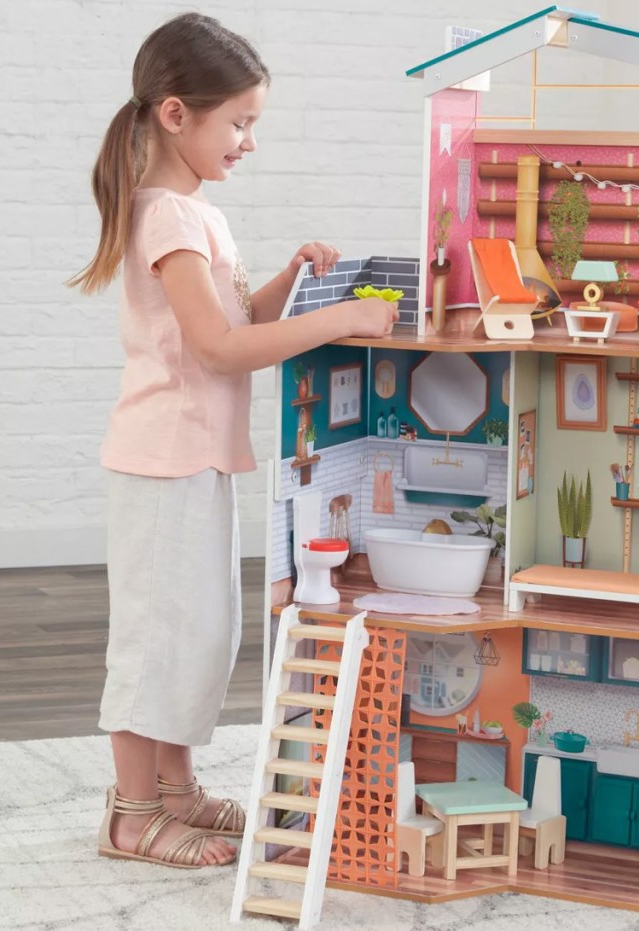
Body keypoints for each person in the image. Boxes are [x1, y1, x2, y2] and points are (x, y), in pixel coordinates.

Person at [68, 12, 397, 869]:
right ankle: (132, 812)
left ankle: (175, 790)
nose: (249, 140)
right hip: (161, 459)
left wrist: (292, 280)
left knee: (200, 631)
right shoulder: (168, 218)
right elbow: (217, 349)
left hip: (196, 457)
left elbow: (235, 323)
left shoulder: (196, 213)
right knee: (155, 638)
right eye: (239, 122)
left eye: (254, 123)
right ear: (176, 116)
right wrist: (340, 316)